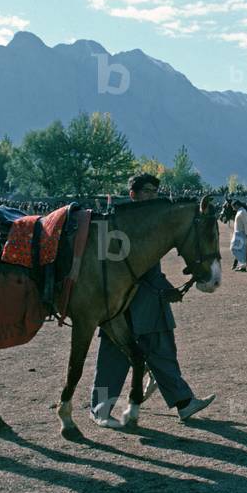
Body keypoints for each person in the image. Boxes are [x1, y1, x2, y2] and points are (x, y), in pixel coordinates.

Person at [89, 173, 215, 427]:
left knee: (163, 353)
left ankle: (184, 402)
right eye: (147, 191)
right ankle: (100, 409)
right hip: (120, 304)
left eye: (155, 192)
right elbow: (119, 268)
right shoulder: (113, 221)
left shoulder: (153, 222)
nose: (152, 196)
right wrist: (163, 290)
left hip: (151, 301)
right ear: (133, 193)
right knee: (111, 359)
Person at [230, 200, 247, 272]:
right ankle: (242, 265)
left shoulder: (242, 212)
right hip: (237, 233)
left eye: (233, 207)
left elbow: (246, 223)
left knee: (234, 248)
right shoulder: (240, 211)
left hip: (241, 233)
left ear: (236, 205)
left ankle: (243, 264)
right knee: (239, 249)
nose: (233, 209)